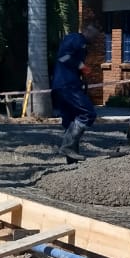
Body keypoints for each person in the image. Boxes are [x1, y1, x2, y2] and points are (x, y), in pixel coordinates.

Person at [51, 23, 99, 162]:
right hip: (68, 85)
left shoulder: (81, 43)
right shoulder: (76, 39)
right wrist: (81, 66)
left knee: (70, 119)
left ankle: (71, 160)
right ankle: (68, 146)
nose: (94, 38)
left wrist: (81, 76)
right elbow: (63, 57)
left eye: (96, 36)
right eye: (92, 34)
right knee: (87, 113)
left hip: (64, 85)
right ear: (85, 30)